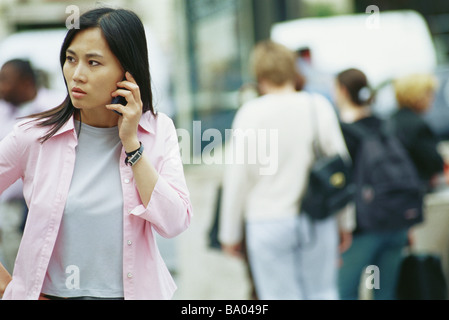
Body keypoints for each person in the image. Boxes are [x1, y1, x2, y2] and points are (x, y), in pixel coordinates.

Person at [0, 7, 192, 300]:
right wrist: (6, 285)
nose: (77, 75)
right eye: (71, 59)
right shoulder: (34, 135)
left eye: (93, 62)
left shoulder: (157, 130)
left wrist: (132, 145)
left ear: (127, 72)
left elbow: (174, 222)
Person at [218, 40, 351, 300]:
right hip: (317, 217)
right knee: (323, 293)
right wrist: (346, 222)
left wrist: (229, 233)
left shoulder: (250, 113)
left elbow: (237, 178)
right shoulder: (317, 106)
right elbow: (340, 171)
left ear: (260, 74)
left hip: (267, 221)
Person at [335, 68, 409, 300]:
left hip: (362, 228)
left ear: (343, 91)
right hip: (397, 221)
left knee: (344, 292)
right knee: (385, 292)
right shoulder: (387, 125)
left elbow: (340, 184)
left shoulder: (342, 133)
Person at [0, 59, 64, 274]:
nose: (0, 85)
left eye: (4, 79)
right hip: (12, 212)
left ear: (26, 82)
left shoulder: (57, 108)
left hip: (47, 208)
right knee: (19, 275)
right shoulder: (2, 113)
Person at [390, 73, 444, 190]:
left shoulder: (391, 120)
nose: (433, 98)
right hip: (420, 187)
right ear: (417, 95)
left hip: (400, 186)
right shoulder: (418, 125)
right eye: (429, 93)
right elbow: (434, 163)